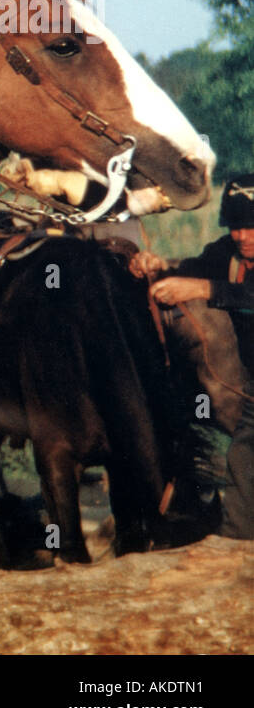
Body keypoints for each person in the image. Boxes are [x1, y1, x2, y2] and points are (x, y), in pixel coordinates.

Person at [129, 174, 254, 539]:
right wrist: (157, 267)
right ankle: (236, 547)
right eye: (235, 227)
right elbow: (190, 271)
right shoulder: (225, 254)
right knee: (243, 459)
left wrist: (204, 288)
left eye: (251, 227)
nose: (242, 237)